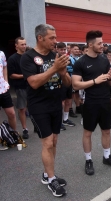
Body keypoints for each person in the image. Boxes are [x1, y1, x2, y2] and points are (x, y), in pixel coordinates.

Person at [20, 24, 71, 197]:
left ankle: (48, 174)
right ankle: (51, 179)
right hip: (38, 106)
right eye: (51, 38)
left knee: (54, 141)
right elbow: (33, 82)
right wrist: (54, 68)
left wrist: (63, 72)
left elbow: (68, 83)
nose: (55, 41)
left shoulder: (56, 55)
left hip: (55, 104)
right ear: (40, 38)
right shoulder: (27, 57)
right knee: (47, 143)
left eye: (55, 37)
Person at [72, 30, 111, 176]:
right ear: (90, 44)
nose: (102, 45)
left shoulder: (104, 59)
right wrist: (95, 81)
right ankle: (88, 160)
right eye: (99, 43)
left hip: (105, 101)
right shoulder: (81, 62)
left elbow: (110, 82)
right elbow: (75, 85)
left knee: (106, 130)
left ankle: (107, 157)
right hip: (90, 102)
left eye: (102, 42)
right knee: (88, 132)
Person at [7, 37, 29, 139]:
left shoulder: (29, 56)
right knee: (22, 109)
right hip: (20, 87)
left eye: (25, 44)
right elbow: (11, 75)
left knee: (34, 106)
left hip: (32, 86)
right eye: (21, 44)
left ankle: (37, 126)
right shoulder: (12, 59)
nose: (24, 46)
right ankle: (25, 129)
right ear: (16, 45)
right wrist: (25, 76)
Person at [56, 42, 76, 130]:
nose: (63, 51)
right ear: (57, 49)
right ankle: (58, 122)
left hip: (69, 82)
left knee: (68, 101)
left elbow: (72, 69)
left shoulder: (68, 58)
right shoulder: (56, 58)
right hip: (59, 83)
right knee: (61, 103)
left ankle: (65, 119)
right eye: (61, 49)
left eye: (64, 49)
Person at [0, 50, 17, 151]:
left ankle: (13, 135)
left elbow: (5, 66)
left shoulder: (1, 53)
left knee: (11, 114)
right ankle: (1, 140)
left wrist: (6, 81)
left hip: (3, 89)